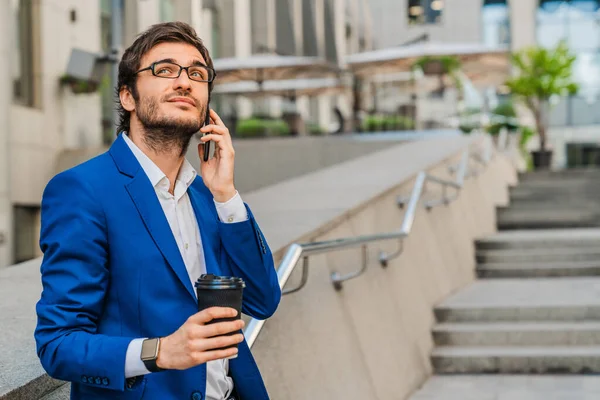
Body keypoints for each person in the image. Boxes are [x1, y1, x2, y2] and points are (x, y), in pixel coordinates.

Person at [34, 22, 281, 400]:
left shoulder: (208, 194)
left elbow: (263, 300)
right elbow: (58, 344)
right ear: (128, 97)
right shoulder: (83, 189)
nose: (184, 82)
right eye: (164, 70)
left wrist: (227, 196)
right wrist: (160, 352)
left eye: (197, 74)